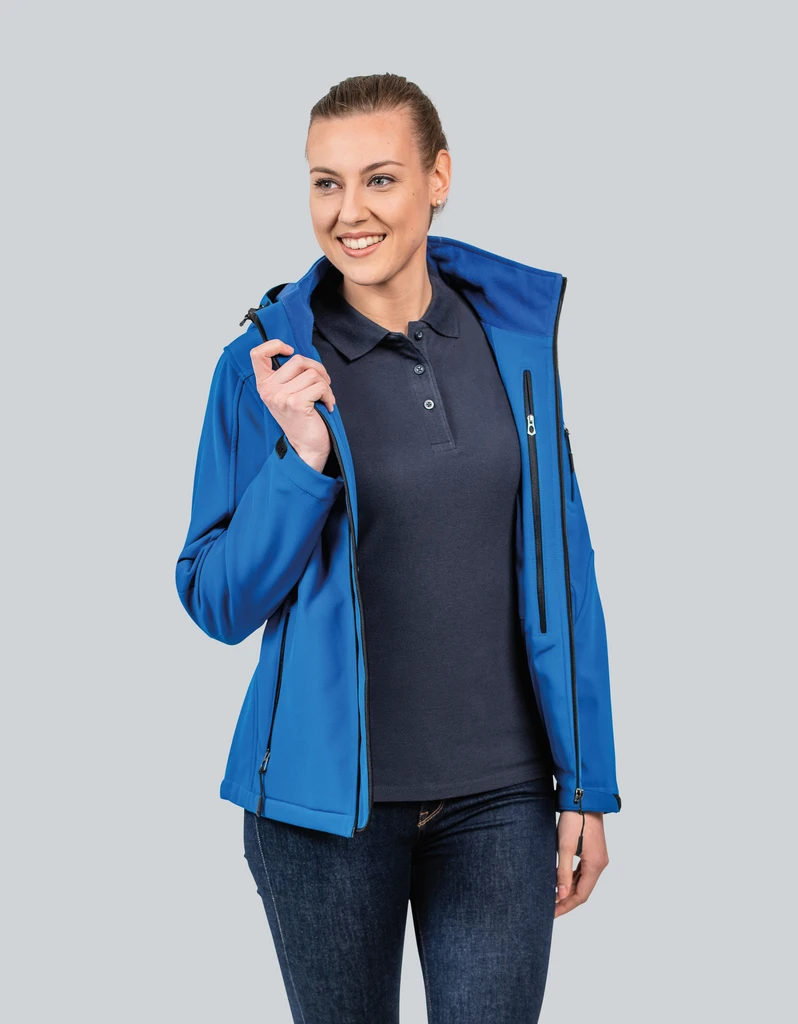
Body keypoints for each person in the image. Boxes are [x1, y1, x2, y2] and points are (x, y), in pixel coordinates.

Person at [175, 72, 621, 1024]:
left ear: (438, 178)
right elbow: (215, 597)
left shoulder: (513, 343)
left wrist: (587, 782)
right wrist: (301, 459)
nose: (350, 212)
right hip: (323, 815)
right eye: (325, 183)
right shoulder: (265, 367)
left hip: (502, 802)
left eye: (379, 178)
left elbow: (564, 569)